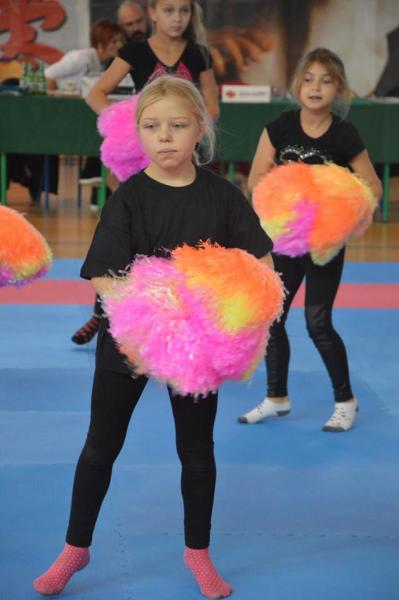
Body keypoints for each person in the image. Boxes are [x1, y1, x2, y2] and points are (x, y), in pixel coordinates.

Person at [33, 75, 273, 599]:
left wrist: (226, 312)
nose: (164, 137)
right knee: (100, 447)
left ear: (199, 131)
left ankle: (198, 553)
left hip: (197, 353)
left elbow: (260, 265)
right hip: (131, 344)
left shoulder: (223, 197)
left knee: (197, 453)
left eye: (177, 125)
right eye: (152, 126)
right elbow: (101, 274)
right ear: (137, 134)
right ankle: (76, 548)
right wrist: (152, 313)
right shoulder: (129, 199)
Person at [238, 48, 382, 432]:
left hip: (322, 245)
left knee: (318, 322)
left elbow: (373, 185)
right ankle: (276, 397)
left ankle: (345, 400)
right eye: (308, 79)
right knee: (273, 319)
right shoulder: (278, 128)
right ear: (296, 85)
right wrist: (281, 203)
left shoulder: (344, 134)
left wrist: (339, 210)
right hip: (282, 242)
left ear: (339, 89)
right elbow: (254, 181)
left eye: (326, 80)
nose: (315, 87)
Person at [72, 0, 219, 345]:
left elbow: (211, 107)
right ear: (152, 13)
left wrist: (187, 125)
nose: (177, 18)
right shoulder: (136, 52)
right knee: (125, 235)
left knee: (178, 236)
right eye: (169, 10)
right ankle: (103, 311)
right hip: (140, 159)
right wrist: (123, 126)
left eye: (184, 11)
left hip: (181, 157)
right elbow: (96, 93)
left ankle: (174, 316)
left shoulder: (198, 54)